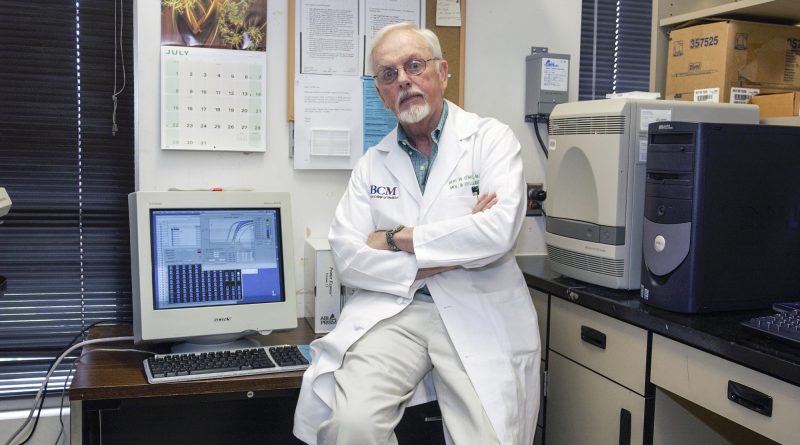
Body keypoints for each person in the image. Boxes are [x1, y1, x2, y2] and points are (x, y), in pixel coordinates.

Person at [293, 22, 540, 445]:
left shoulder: (490, 140)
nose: (403, 80)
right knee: (352, 426)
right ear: (381, 94)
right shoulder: (372, 164)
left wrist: (396, 238)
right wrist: (458, 249)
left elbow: (498, 232)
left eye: (414, 65)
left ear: (442, 72)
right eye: (389, 74)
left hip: (478, 306)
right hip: (397, 311)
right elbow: (348, 259)